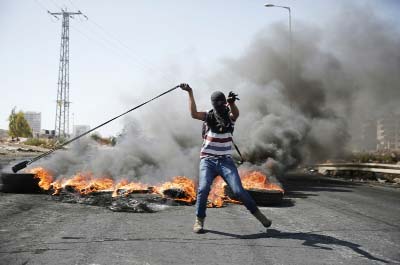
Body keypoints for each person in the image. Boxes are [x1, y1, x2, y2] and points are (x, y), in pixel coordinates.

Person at [180, 83, 272, 233]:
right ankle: (199, 220)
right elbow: (194, 114)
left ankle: (259, 216)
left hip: (225, 161)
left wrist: (232, 103)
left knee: (239, 191)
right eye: (217, 102)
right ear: (213, 104)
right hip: (208, 160)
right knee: (203, 189)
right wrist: (190, 92)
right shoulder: (208, 117)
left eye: (222, 102)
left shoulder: (230, 118)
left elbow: (235, 114)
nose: (220, 105)